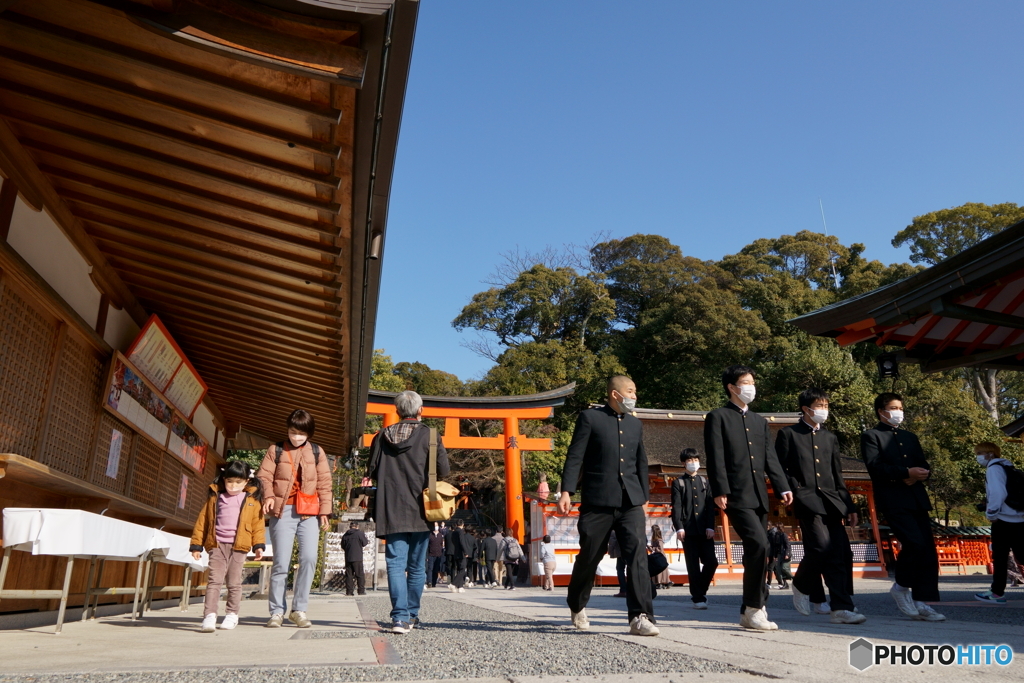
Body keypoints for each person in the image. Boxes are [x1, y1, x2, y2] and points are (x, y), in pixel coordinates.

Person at [558, 375, 659, 637]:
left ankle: (640, 616)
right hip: (597, 500)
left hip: (631, 501)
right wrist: (567, 490)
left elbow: (640, 461)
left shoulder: (636, 424)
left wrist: (644, 497)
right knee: (590, 554)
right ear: (615, 394)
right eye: (630, 390)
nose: (634, 396)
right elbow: (575, 455)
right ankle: (577, 604)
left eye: (635, 391)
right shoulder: (590, 418)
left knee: (637, 553)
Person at [704, 365, 792, 631]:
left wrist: (782, 487)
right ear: (732, 387)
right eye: (746, 382)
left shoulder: (759, 421)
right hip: (734, 494)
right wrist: (719, 489)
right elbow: (715, 455)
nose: (751, 386)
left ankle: (750, 609)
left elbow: (770, 458)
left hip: (758, 495)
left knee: (757, 550)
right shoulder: (717, 417)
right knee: (759, 543)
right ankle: (755, 607)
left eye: (753, 381)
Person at [775, 388, 864, 624]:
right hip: (805, 498)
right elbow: (779, 469)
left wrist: (850, 505)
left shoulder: (830, 437)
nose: (824, 410)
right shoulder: (788, 434)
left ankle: (841, 608)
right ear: (806, 409)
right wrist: (790, 489)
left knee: (837, 552)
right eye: (820, 406)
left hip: (832, 501)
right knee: (820, 548)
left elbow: (837, 475)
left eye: (826, 406)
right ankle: (802, 584)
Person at [367, 390, 450, 633]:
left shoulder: (381, 436)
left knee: (395, 564)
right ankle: (412, 615)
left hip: (390, 507)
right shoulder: (431, 436)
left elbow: (372, 470)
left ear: (397, 411)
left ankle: (399, 617)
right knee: (416, 566)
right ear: (420, 410)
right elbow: (443, 471)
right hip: (422, 509)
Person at [862, 392, 944, 622]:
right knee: (914, 543)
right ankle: (900, 587)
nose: (898, 412)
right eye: (893, 407)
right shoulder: (871, 436)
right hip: (893, 498)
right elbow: (875, 468)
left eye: (900, 407)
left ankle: (923, 601)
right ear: (881, 411)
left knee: (927, 549)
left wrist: (920, 475)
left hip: (917, 497)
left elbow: (923, 464)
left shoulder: (910, 436)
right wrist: (905, 473)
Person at [256, 409, 332, 629]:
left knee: (309, 558)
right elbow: (264, 476)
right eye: (292, 432)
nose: (296, 437)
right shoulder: (276, 449)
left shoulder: (318, 452)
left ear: (309, 433)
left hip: (309, 512)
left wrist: (325, 511)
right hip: (283, 511)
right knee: (281, 562)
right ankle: (276, 612)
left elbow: (325, 483)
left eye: (301, 433)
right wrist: (268, 496)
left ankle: (299, 610)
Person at [190, 460, 265, 632]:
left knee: (234, 582)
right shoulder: (216, 498)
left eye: (238, 482)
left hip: (239, 547)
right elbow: (202, 522)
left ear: (247, 481)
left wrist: (258, 545)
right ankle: (209, 615)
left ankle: (232, 614)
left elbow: (258, 525)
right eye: (229, 481)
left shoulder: (252, 500)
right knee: (214, 581)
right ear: (224, 479)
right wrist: (196, 545)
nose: (233, 485)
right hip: (216, 545)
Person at [974, 441, 1024, 604]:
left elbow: (997, 492)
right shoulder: (1009, 468)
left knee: (1000, 557)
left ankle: (996, 592)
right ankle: (996, 591)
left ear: (989, 454)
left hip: (1003, 519)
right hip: (1019, 517)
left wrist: (991, 512)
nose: (978, 457)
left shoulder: (993, 469)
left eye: (980, 453)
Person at [671, 448, 718, 609]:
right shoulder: (679, 483)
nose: (694, 463)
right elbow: (676, 507)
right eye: (690, 461)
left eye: (696, 460)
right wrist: (679, 528)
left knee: (712, 562)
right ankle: (697, 598)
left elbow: (710, 507)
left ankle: (701, 591)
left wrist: (711, 526)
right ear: (684, 463)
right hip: (688, 530)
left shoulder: (705, 482)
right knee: (693, 565)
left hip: (705, 530)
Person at [341, 522, 369, 596]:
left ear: (350, 527)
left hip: (348, 557)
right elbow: (365, 543)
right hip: (357, 556)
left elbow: (342, 546)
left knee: (349, 575)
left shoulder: (345, 535)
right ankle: (361, 591)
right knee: (359, 575)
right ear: (357, 526)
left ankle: (349, 592)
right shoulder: (359, 533)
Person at [446, 519, 472, 592]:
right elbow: (462, 542)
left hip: (456, 552)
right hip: (461, 552)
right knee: (463, 569)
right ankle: (453, 584)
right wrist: (465, 551)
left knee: (459, 569)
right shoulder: (460, 531)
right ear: (462, 524)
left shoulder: (454, 532)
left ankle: (460, 586)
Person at [766, 524, 790, 590]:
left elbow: (787, 545)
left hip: (781, 553)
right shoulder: (776, 534)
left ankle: (783, 583)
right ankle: (782, 583)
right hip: (777, 553)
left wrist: (787, 554)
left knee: (780, 568)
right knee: (777, 569)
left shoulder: (782, 535)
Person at [608, 530, 627, 597]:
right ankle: (633, 589)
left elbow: (612, 541)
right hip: (632, 551)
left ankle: (623, 590)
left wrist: (610, 552)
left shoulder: (616, 528)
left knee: (620, 569)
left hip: (621, 552)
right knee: (632, 569)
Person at [427, 524, 446, 588]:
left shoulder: (440, 535)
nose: (436, 527)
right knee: (430, 569)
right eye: (435, 525)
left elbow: (442, 544)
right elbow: (427, 546)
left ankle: (434, 582)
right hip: (430, 554)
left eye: (436, 525)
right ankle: (429, 581)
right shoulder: (430, 535)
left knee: (436, 569)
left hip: (438, 555)